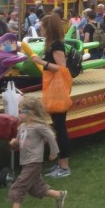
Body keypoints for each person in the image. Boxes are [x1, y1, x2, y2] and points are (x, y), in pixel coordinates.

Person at [1, 94, 67, 208]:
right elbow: (21, 142)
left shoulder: (38, 127)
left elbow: (51, 137)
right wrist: (15, 142)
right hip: (25, 161)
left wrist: (54, 152)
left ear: (30, 112)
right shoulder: (22, 128)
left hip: (33, 162)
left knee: (18, 188)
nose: (19, 114)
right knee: (35, 188)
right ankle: (59, 195)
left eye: (21, 111)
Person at [31, 14, 72, 178]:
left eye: (41, 26)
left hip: (58, 90)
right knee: (58, 125)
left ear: (48, 28)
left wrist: (40, 62)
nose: (39, 29)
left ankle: (64, 167)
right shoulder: (51, 45)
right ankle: (61, 164)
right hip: (53, 88)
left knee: (61, 128)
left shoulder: (56, 45)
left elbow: (61, 67)